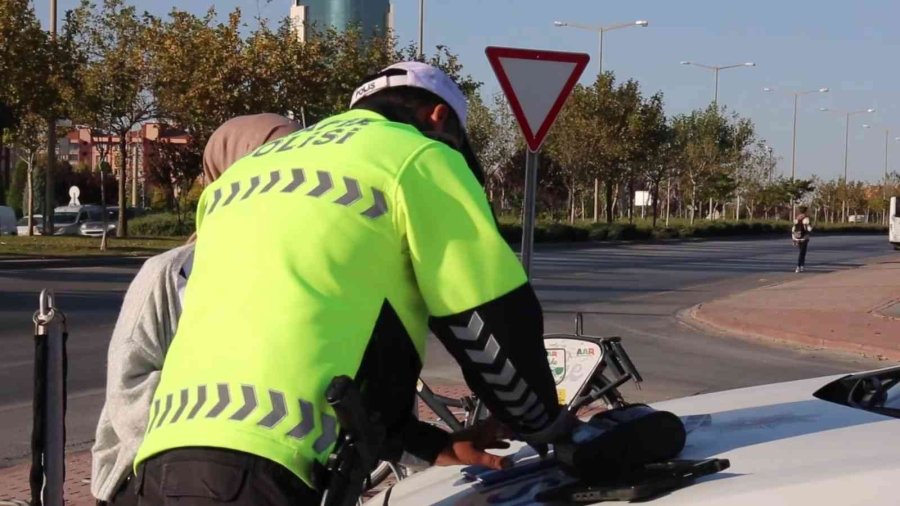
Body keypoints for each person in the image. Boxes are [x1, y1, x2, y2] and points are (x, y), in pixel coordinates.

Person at [132, 62, 573, 505]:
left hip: (160, 459)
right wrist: (542, 424)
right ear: (438, 118)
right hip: (271, 472)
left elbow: (308, 337)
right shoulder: (421, 156)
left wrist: (430, 444)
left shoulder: (244, 175)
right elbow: (485, 321)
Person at [90, 114, 301, 505]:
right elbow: (128, 387)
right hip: (155, 474)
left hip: (260, 477)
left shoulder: (303, 272)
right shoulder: (171, 272)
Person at [792, 206, 813, 272]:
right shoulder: (806, 218)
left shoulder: (796, 218)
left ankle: (802, 266)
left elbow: (793, 229)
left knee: (801, 252)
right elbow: (809, 229)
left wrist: (793, 239)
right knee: (802, 252)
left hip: (797, 237)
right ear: (805, 211)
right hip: (804, 237)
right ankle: (798, 266)